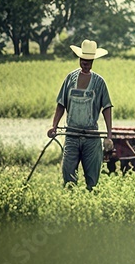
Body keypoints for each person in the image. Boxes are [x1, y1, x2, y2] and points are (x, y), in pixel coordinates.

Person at [47, 39, 114, 190]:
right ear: (79, 59)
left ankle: (90, 205)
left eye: (89, 61)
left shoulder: (99, 82)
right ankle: (71, 206)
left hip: (91, 137)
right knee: (68, 176)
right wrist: (54, 126)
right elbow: (61, 104)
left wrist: (109, 136)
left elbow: (107, 108)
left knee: (92, 180)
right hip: (71, 135)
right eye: (84, 60)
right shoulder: (70, 78)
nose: (86, 63)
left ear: (93, 61)